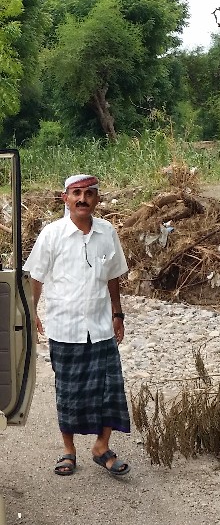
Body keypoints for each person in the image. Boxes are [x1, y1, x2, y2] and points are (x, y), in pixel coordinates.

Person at [24, 174, 131, 477]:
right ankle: (68, 450)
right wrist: (31, 312)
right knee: (69, 392)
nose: (83, 199)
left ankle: (101, 447)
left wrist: (118, 313)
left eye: (89, 193)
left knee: (111, 388)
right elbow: (36, 276)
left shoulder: (107, 232)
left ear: (97, 199)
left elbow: (113, 275)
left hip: (100, 326)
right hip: (65, 326)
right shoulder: (52, 234)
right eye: (77, 193)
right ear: (65, 198)